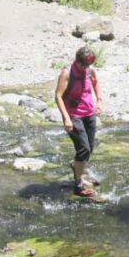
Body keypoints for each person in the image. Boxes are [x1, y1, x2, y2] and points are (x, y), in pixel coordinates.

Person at [55, 46, 102, 197]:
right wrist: (66, 118)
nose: (86, 69)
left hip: (89, 114)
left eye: (88, 66)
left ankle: (76, 166)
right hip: (74, 115)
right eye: (84, 66)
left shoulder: (89, 70)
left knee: (89, 149)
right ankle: (78, 185)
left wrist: (99, 100)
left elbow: (95, 83)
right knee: (84, 149)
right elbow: (58, 96)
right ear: (78, 61)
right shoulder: (67, 73)